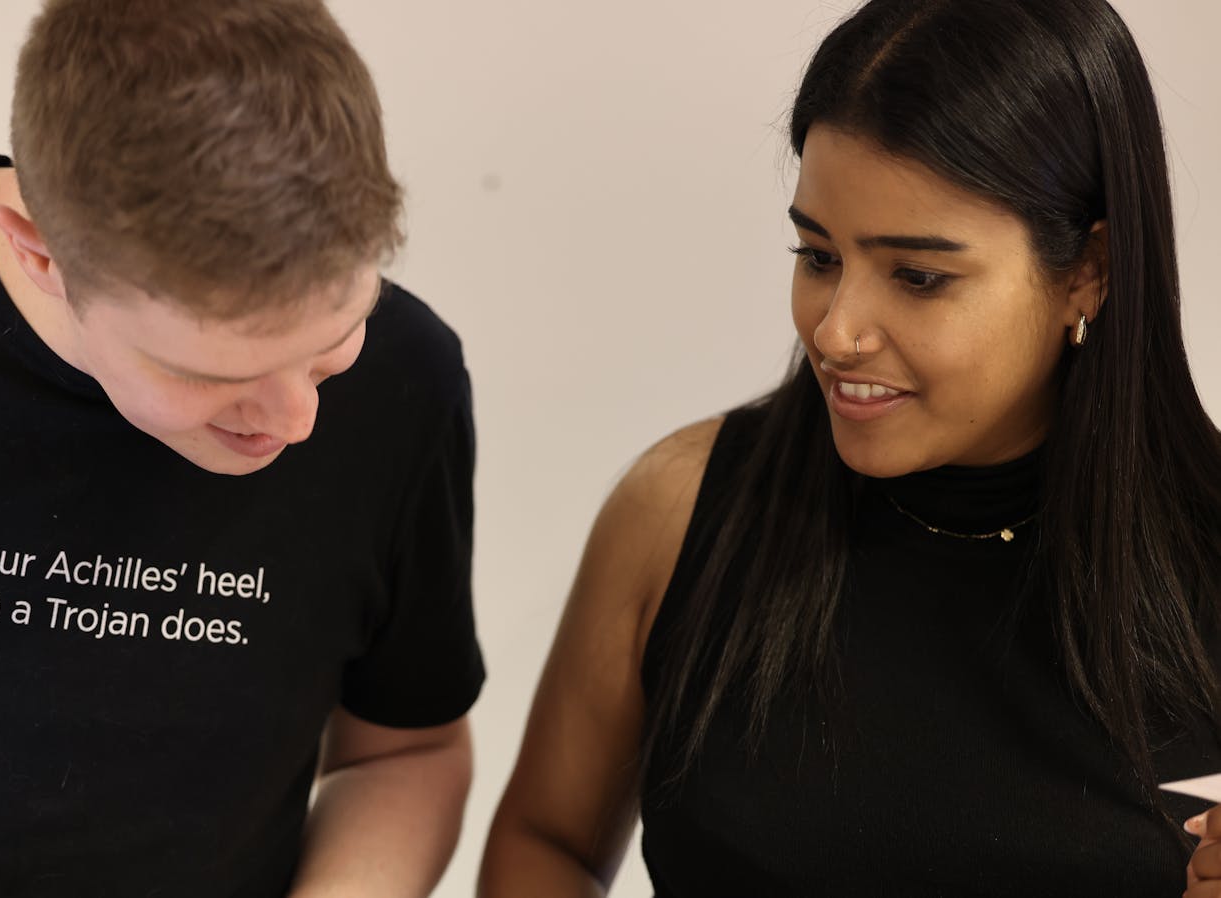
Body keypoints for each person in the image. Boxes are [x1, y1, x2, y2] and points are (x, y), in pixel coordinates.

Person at [0, 1, 484, 896]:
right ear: (39, 253)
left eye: (334, 338)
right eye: (210, 371)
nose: (296, 418)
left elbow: (406, 751)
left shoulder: (409, 378)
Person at [479, 0, 1221, 895]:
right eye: (818, 256)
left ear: (1088, 272)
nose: (834, 334)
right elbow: (546, 841)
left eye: (918, 276)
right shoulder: (680, 508)